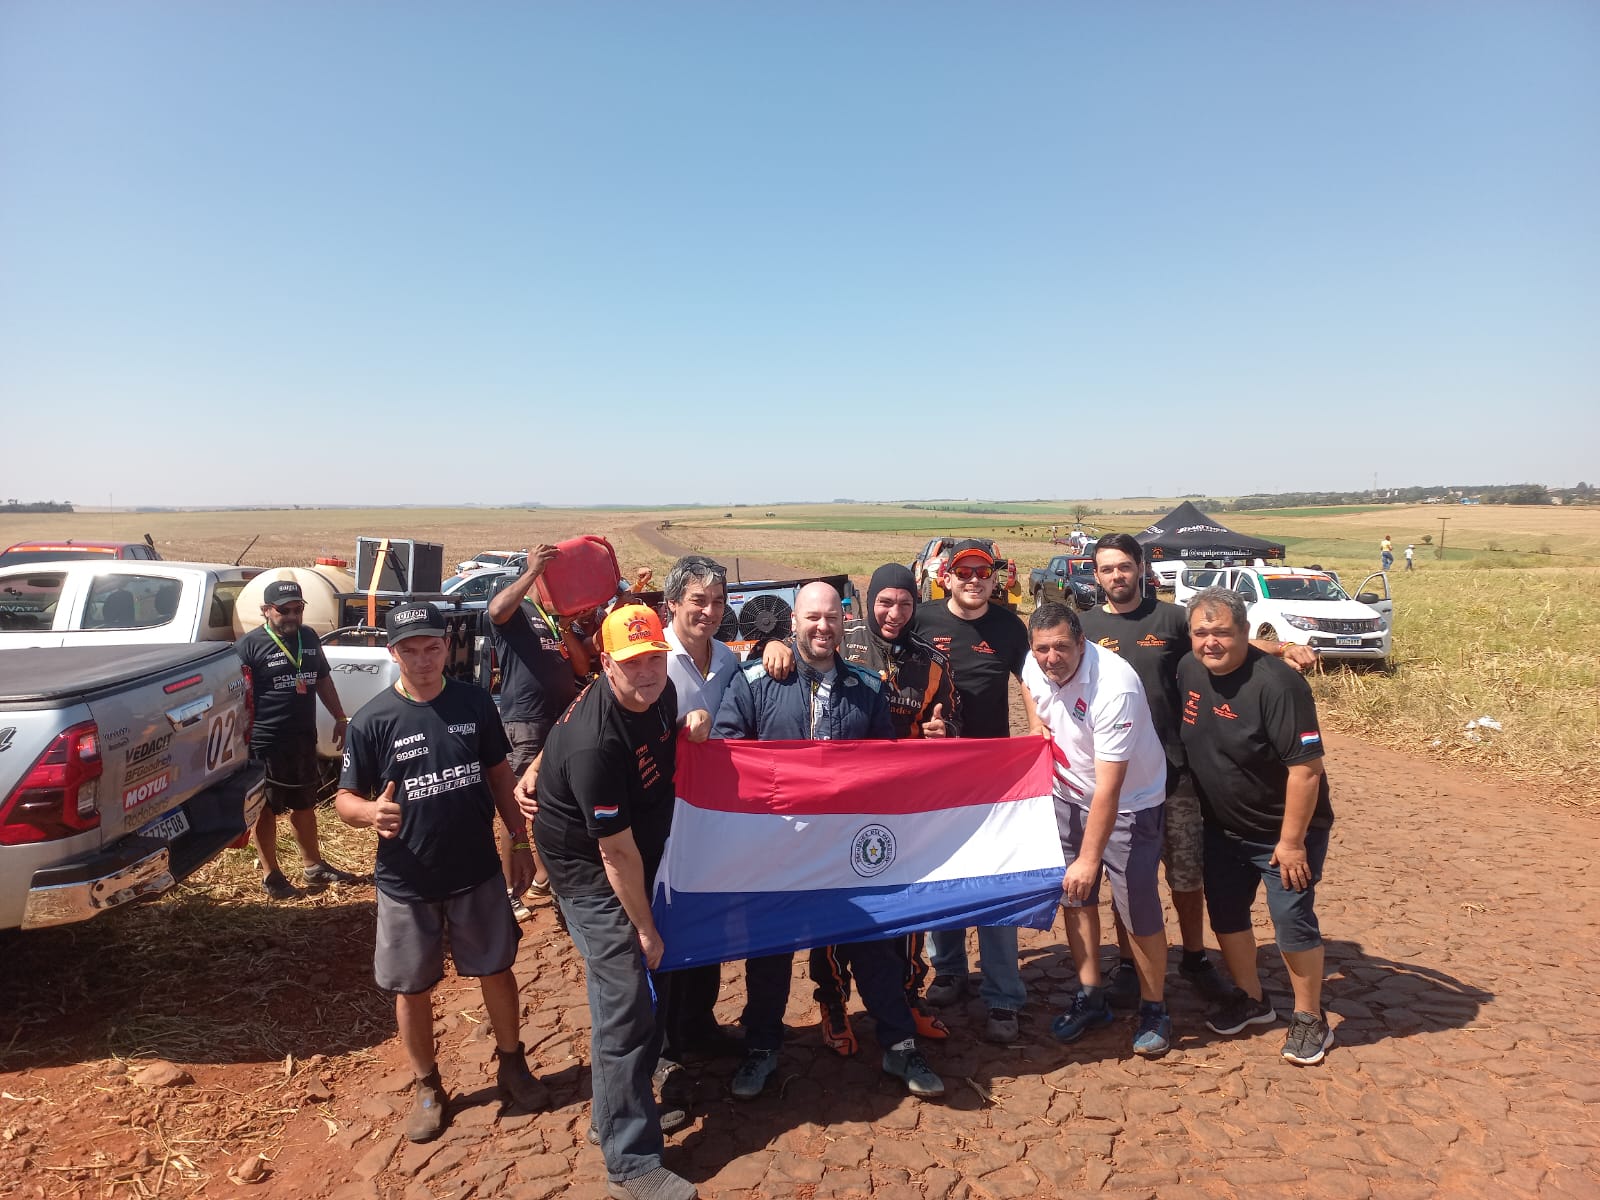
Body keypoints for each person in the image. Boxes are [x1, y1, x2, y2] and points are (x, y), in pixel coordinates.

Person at [714, 582, 945, 1101]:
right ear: (794, 622)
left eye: (832, 618)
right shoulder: (755, 682)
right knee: (769, 951)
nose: (822, 627)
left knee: (875, 947)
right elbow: (726, 753)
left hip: (849, 852)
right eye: (811, 618)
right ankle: (762, 1047)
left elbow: (886, 765)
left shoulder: (866, 687)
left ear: (844, 623)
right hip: (775, 850)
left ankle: (899, 1045)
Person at [334, 602, 544, 1143]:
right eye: (410, 649)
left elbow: (500, 776)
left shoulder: (474, 702)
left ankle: (512, 1063)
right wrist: (368, 814)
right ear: (393, 653)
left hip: (476, 870)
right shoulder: (372, 720)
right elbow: (344, 799)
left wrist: (518, 842)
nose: (423, 659)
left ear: (446, 648)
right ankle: (428, 1086)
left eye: (431, 647)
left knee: (497, 969)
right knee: (412, 988)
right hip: (408, 880)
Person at [1080, 534, 1315, 1009]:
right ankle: (1129, 963)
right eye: (1107, 569)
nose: (1117, 576)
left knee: (1186, 875)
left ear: (1141, 566)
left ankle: (1193, 958)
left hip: (1177, 771)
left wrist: (1281, 647)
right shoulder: (1083, 626)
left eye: (1124, 566)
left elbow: (1223, 639)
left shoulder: (1169, 617)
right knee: (1128, 878)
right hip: (1117, 775)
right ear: (1096, 574)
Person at [534, 604, 704, 1200]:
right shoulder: (596, 745)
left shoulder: (658, 694)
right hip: (586, 865)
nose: (648, 671)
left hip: (635, 840)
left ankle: (616, 1110)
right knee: (626, 993)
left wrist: (691, 724)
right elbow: (615, 858)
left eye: (656, 657)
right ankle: (630, 1165)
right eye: (633, 663)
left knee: (635, 989)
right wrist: (646, 929)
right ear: (606, 664)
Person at [762, 564, 961, 1048]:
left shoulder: (931, 663)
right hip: (838, 807)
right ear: (868, 602)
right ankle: (833, 1003)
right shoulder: (843, 640)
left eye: (905, 603)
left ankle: (908, 998)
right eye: (884, 602)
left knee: (907, 910)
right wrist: (773, 647)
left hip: (905, 808)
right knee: (835, 909)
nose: (894, 613)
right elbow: (803, 646)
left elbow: (955, 724)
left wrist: (946, 733)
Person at [1178, 587, 1338, 1066]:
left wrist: (1291, 843)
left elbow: (1306, 770)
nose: (1211, 642)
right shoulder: (1189, 668)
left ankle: (1310, 1017)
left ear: (1244, 633)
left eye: (1222, 632)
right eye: (1201, 632)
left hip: (1283, 834)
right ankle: (1252, 999)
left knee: (1291, 919)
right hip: (1222, 828)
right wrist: (1280, 643)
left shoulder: (1280, 687)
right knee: (1226, 914)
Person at [1022, 603, 1173, 1057]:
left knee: (1137, 907)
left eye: (1062, 648)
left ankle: (1154, 1007)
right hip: (1067, 794)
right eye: (1043, 648)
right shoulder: (1034, 660)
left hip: (1130, 804)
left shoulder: (1115, 687)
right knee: (1076, 897)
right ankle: (1090, 996)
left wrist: (1090, 858)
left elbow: (1111, 788)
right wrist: (1035, 725)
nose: (1052, 658)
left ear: (1082, 643)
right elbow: (1029, 683)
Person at [910, 539, 1031, 1038]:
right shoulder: (921, 620)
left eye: (982, 571)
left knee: (995, 880)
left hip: (993, 772)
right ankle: (951, 971)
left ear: (994, 577)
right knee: (945, 873)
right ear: (947, 576)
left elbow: (1032, 684)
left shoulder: (1009, 626)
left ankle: (1003, 994)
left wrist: (1039, 739)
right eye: (964, 572)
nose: (973, 580)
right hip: (936, 774)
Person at [654, 556, 745, 1101]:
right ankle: (662, 1049)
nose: (709, 612)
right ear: (673, 605)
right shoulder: (654, 658)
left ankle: (699, 1024)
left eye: (718, 602)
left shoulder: (730, 660)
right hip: (659, 818)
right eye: (698, 602)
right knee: (663, 928)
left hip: (709, 821)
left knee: (709, 918)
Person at [234, 579, 358, 899]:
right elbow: (236, 697)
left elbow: (322, 679)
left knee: (305, 804)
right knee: (266, 809)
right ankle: (271, 875)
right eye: (284, 610)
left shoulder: (308, 637)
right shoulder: (249, 646)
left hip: (303, 738)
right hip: (265, 741)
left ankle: (314, 867)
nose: (291, 616)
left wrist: (341, 718)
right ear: (266, 611)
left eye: (297, 609)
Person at [486, 544, 591, 919]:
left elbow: (581, 667)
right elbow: (495, 610)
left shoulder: (550, 619)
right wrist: (530, 573)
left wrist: (566, 628)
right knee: (518, 806)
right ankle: (506, 892)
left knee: (555, 800)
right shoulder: (514, 612)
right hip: (526, 721)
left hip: (559, 719)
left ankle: (542, 880)